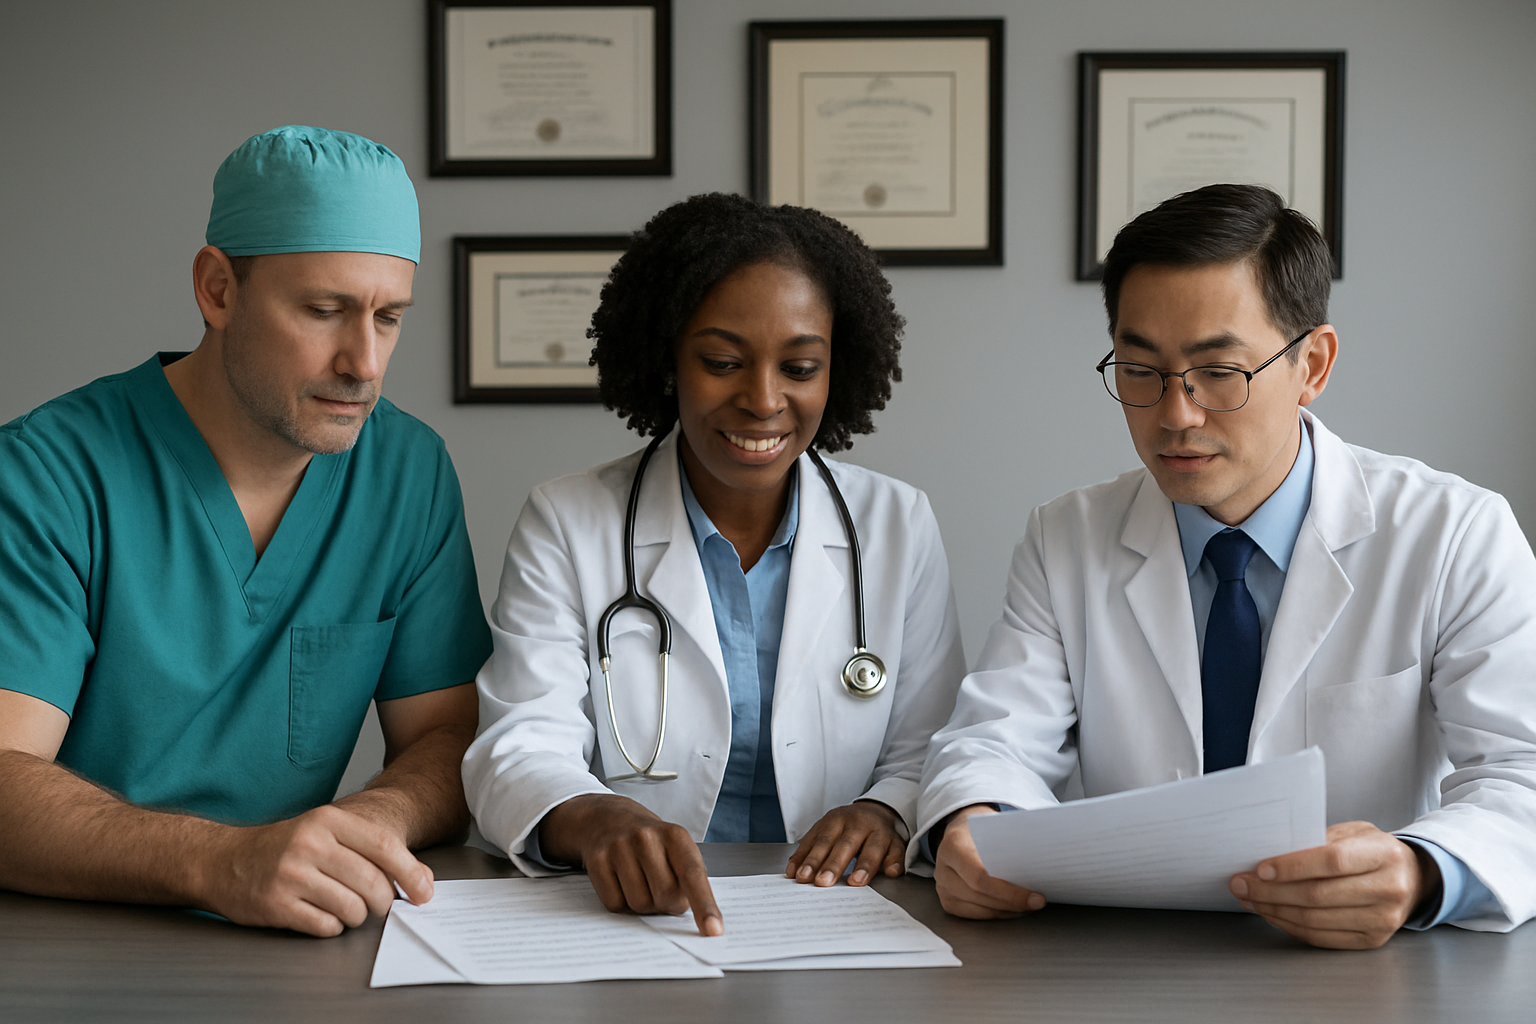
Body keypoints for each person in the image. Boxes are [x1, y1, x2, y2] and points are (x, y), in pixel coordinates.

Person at [915, 183, 1536, 948]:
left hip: (1367, 973)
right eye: (1140, 370)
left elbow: (1523, 774)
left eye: (1220, 372)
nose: (1176, 414)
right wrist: (974, 823)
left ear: (1313, 363)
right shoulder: (1066, 536)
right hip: (1130, 961)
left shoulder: (1455, 533)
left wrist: (1420, 870)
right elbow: (994, 741)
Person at [0, 126, 492, 938]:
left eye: (389, 317)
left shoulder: (405, 471)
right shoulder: (48, 476)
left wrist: (370, 823)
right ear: (217, 289)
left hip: (297, 933)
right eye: (324, 310)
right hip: (65, 938)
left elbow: (448, 733)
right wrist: (222, 861)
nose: (364, 363)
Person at [463, 193, 966, 935]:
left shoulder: (896, 524)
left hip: (841, 916)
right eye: (723, 362)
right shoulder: (567, 522)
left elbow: (934, 744)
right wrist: (594, 817)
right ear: (668, 360)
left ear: (838, 369)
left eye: (799, 366)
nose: (764, 400)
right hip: (631, 923)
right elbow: (520, 741)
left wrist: (885, 809)